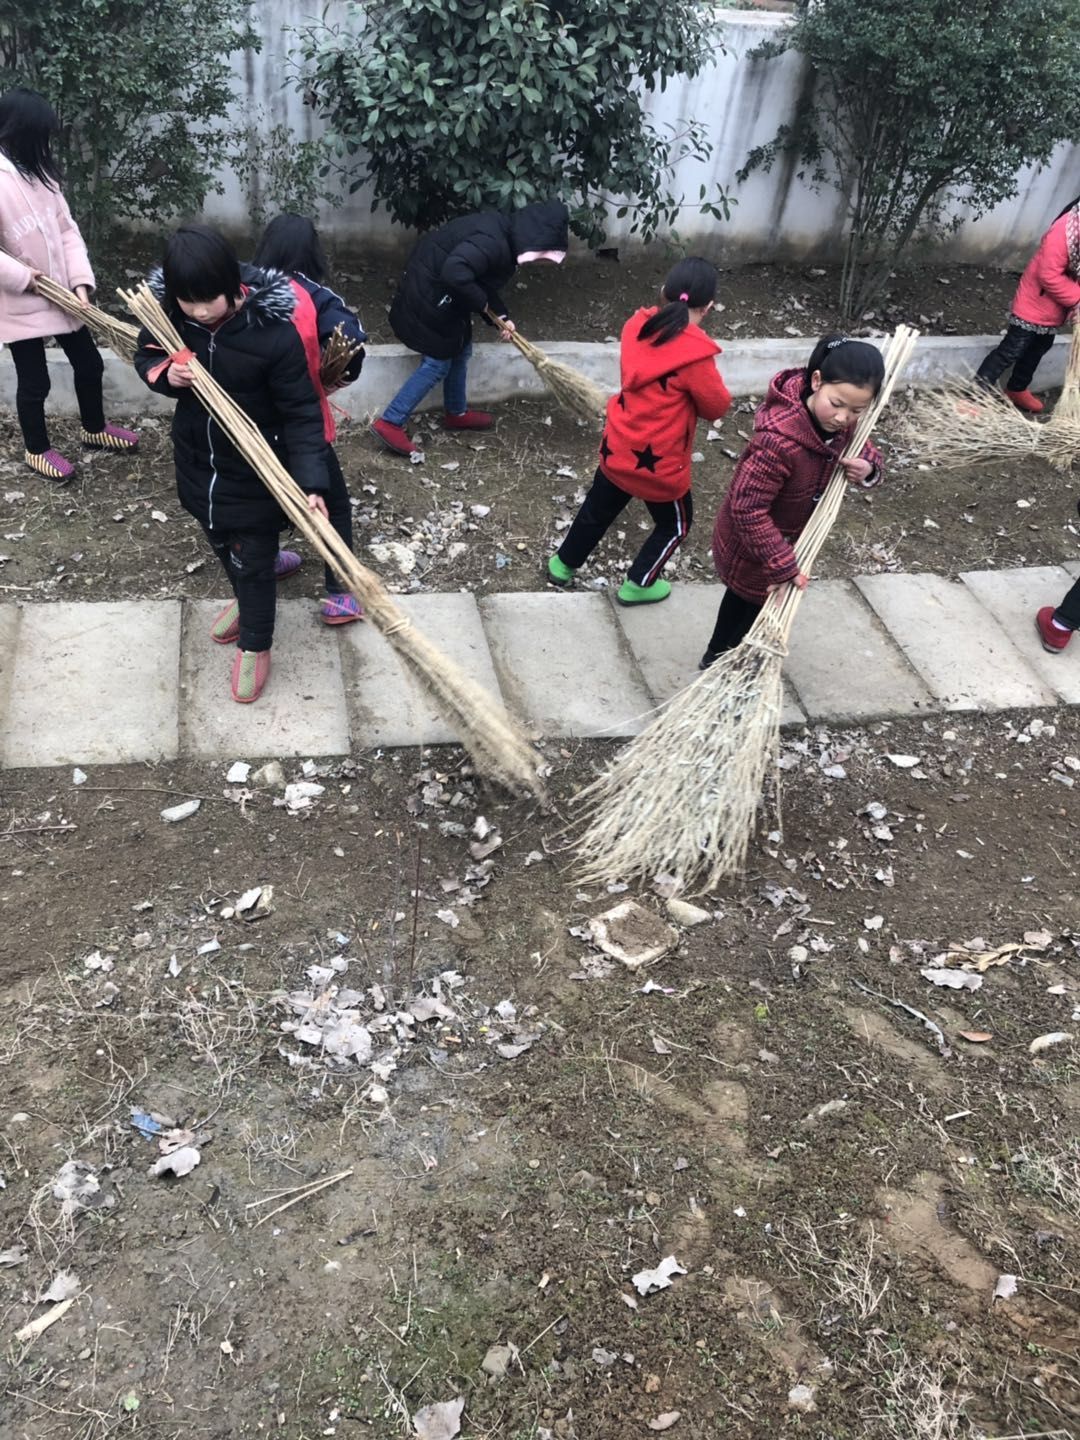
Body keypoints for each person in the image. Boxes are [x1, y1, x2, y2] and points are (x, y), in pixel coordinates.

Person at [133, 224, 330, 704]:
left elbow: (302, 414)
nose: (200, 311)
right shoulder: (169, 318)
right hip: (199, 465)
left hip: (258, 474)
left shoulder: (273, 334)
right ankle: (244, 598)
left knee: (254, 565)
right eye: (189, 300)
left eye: (209, 299)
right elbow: (145, 354)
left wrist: (311, 482)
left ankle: (255, 645)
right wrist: (166, 376)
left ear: (231, 284)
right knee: (221, 543)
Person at [547, 258, 731, 605]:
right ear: (708, 307)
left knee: (596, 510)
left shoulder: (635, 327)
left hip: (619, 446)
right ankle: (639, 583)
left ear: (663, 291)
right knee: (676, 525)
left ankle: (562, 564)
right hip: (661, 465)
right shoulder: (695, 357)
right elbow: (716, 406)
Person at [701, 335, 884, 669]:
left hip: (789, 542)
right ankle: (716, 661)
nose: (843, 417)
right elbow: (747, 508)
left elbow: (862, 444)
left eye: (857, 410)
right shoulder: (778, 443)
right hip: (754, 547)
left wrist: (868, 467)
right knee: (742, 604)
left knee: (759, 607)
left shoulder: (841, 423)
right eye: (837, 403)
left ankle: (741, 660)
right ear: (816, 381)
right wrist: (781, 563)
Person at [0, 86, 137, 482]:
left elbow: (67, 230)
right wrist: (23, 278)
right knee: (35, 381)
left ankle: (94, 428)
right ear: (19, 132)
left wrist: (79, 282)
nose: (46, 143)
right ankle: (37, 450)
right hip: (22, 300)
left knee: (90, 363)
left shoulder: (42, 176)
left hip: (62, 296)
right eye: (41, 135)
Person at [371, 198, 569, 456]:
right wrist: (483, 304)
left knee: (462, 349)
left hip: (442, 296)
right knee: (438, 363)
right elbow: (456, 272)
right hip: (429, 296)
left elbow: (478, 279)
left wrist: (500, 315)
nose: (539, 263)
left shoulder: (504, 237)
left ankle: (456, 412)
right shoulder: (493, 242)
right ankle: (390, 421)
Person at [252, 212, 367, 624]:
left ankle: (268, 561)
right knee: (333, 504)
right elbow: (351, 344)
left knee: (263, 497)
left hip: (249, 424)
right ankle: (340, 592)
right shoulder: (315, 295)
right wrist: (330, 378)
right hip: (302, 423)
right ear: (313, 251)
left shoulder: (245, 290)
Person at [975, 196, 1080, 413]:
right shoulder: (1064, 229)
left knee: (1038, 350)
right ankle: (975, 395)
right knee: (1010, 351)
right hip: (1033, 303)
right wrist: (1078, 299)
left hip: (1054, 309)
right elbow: (1048, 275)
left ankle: (1017, 389)